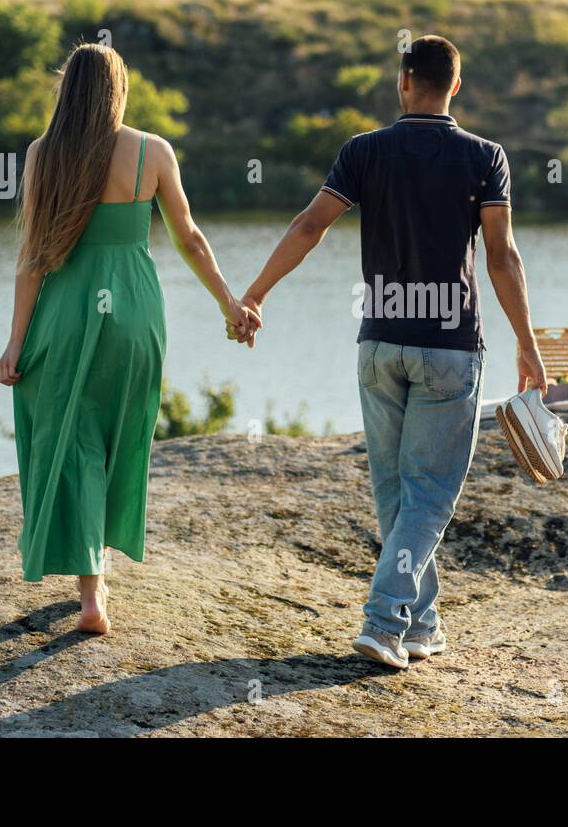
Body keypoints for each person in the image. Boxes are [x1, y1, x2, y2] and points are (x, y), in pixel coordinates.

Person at [233, 35, 547, 668]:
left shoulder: (363, 152)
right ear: (455, 86)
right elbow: (502, 256)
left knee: (397, 494)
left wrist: (256, 292)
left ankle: (419, 622)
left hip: (379, 342)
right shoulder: (486, 157)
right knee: (427, 495)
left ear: (403, 81)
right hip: (449, 347)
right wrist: (529, 347)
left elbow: (308, 226)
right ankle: (382, 622)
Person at [0, 43, 257, 634]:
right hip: (136, 310)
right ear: (119, 89)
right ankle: (101, 573)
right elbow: (189, 237)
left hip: (66, 310)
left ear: (68, 89)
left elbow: (33, 259)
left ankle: (91, 591)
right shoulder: (152, 152)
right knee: (123, 436)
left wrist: (15, 342)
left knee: (73, 439)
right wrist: (230, 304)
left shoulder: (44, 155)